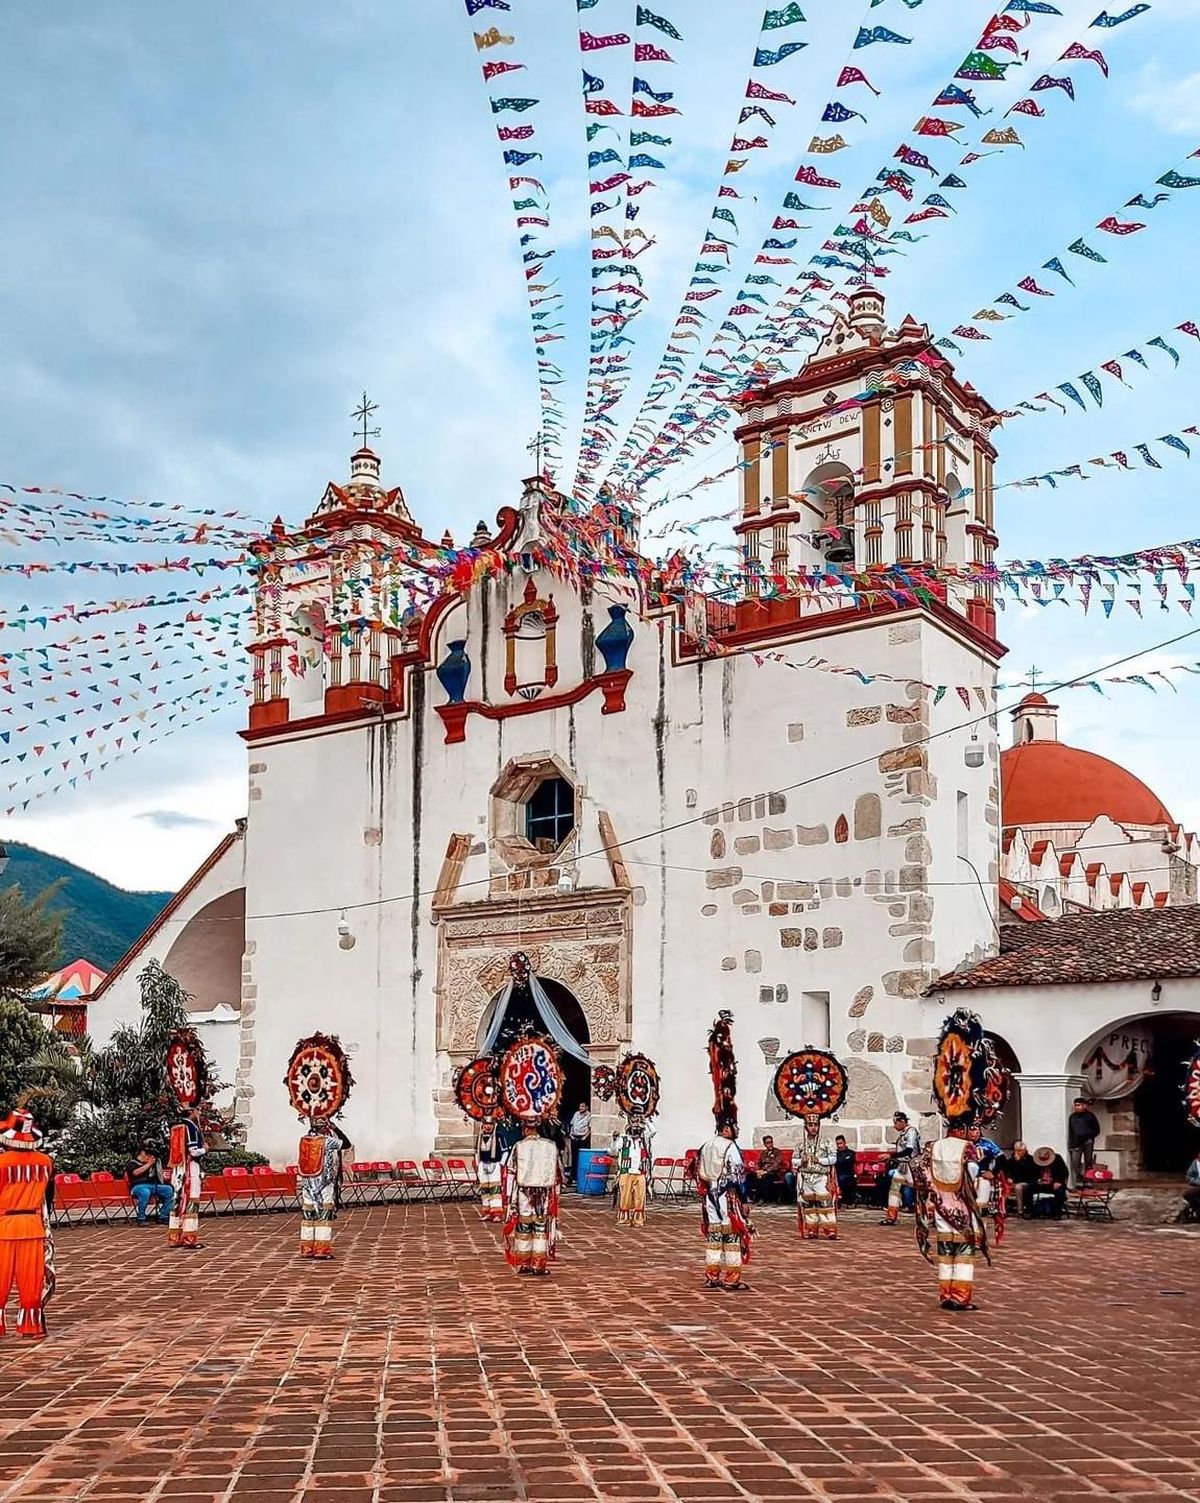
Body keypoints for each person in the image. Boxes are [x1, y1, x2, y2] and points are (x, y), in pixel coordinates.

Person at [914, 1126, 988, 1311]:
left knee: (945, 1252)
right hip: (962, 1205)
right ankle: (960, 1296)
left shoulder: (933, 1147)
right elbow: (971, 1171)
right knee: (964, 1252)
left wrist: (931, 1190)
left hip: (941, 1205)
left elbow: (916, 1167)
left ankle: (946, 1294)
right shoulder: (967, 1147)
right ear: (962, 1130)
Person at [0, 1111, 55, 1339]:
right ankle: (31, 1326)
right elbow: (48, 1197)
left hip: (4, 1225)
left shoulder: (2, 1163)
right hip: (33, 1225)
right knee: (32, 1278)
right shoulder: (45, 1162)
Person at [698, 1120, 754, 1291]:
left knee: (714, 1235)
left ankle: (712, 1276)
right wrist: (744, 1199)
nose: (738, 1129)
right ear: (726, 1128)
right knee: (732, 1236)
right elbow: (737, 1176)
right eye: (735, 1126)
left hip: (710, 1195)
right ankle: (732, 1277)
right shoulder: (731, 1147)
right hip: (727, 1196)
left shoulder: (706, 1146)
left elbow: (698, 1173)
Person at [503, 1117, 562, 1275]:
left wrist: (508, 1197)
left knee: (523, 1227)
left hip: (524, 1193)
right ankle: (538, 1264)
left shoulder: (519, 1146)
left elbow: (510, 1172)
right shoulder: (550, 1146)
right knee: (540, 1228)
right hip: (543, 1194)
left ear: (525, 1129)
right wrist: (556, 1194)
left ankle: (523, 1263)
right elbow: (557, 1173)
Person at [297, 1118, 344, 1260]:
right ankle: (322, 1250)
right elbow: (346, 1144)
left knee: (309, 1216)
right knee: (324, 1215)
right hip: (324, 1183)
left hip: (307, 1183)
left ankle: (307, 1248)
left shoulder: (304, 1140)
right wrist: (336, 1129)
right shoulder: (327, 1141)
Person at [166, 1108, 206, 1250]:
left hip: (178, 1168)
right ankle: (189, 1237)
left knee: (177, 1201)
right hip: (190, 1167)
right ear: (192, 1112)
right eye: (197, 1111)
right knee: (191, 1200)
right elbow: (193, 1150)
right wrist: (205, 1149)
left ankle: (174, 1236)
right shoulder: (190, 1127)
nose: (199, 1114)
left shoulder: (176, 1127)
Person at [795, 1117, 838, 1240]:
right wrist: (800, 1161)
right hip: (806, 1177)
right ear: (806, 1126)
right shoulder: (800, 1144)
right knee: (808, 1204)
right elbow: (793, 1161)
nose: (813, 1127)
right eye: (810, 1125)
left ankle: (830, 1229)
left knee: (825, 1203)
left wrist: (819, 1160)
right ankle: (811, 1229)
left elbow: (834, 1158)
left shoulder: (826, 1142)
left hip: (821, 1176)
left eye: (815, 1125)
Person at [613, 1111, 653, 1228]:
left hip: (640, 1172)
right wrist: (615, 1139)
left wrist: (646, 1120)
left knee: (640, 1197)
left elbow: (653, 1131)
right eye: (633, 1125)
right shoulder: (624, 1139)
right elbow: (614, 1151)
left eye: (638, 1127)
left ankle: (638, 1220)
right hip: (626, 1171)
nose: (636, 1129)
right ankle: (624, 1219)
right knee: (625, 1196)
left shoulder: (644, 1140)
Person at [881, 1112, 921, 1225]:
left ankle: (929, 1216)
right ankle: (891, 1216)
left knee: (922, 1191)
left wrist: (891, 1156)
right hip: (902, 1166)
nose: (895, 1125)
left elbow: (909, 1150)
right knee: (894, 1190)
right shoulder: (904, 1133)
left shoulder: (911, 1132)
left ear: (902, 1121)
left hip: (913, 1166)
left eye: (896, 1122)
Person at [124, 1144, 174, 1226]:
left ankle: (163, 1215)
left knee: (168, 1189)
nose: (149, 1156)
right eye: (147, 1155)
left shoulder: (151, 1164)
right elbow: (135, 1172)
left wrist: (155, 1165)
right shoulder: (132, 1163)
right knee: (145, 1192)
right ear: (142, 1153)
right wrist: (149, 1164)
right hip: (137, 1187)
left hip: (152, 1185)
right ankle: (141, 1218)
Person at [998, 1141, 1039, 1218]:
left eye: (1023, 1150)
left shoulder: (1030, 1159)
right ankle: (1003, 1210)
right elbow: (1006, 1170)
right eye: (1019, 1150)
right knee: (1003, 1187)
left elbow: (1031, 1172)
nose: (1022, 1152)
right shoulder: (1011, 1160)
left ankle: (1020, 1211)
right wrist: (1008, 1177)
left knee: (1018, 1187)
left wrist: (1020, 1162)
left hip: (1027, 1182)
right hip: (1014, 1181)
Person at [747, 1135, 792, 1203]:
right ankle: (750, 1197)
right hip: (762, 1172)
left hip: (773, 1173)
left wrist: (766, 1171)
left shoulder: (777, 1152)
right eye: (768, 1143)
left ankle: (761, 1198)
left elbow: (776, 1164)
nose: (770, 1144)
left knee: (766, 1177)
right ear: (764, 1144)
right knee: (750, 1176)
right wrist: (758, 1171)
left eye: (771, 1142)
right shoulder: (763, 1153)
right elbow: (758, 1163)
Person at [1067, 1098, 1101, 1187]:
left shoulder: (1090, 1116)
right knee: (1075, 1163)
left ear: (1084, 1106)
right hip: (1076, 1143)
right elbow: (1071, 1131)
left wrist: (1090, 1137)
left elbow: (1097, 1129)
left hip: (1087, 1142)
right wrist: (1071, 1144)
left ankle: (1088, 1180)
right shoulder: (1072, 1117)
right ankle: (1079, 1180)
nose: (1077, 1107)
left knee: (1088, 1162)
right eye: (1076, 1105)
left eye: (1079, 1105)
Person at [476, 1117, 504, 1223]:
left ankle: (496, 1213)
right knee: (485, 1189)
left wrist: (501, 1164)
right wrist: (478, 1164)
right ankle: (487, 1211)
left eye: (490, 1124)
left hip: (494, 1164)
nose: (488, 1126)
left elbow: (505, 1151)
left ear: (494, 1125)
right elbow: (477, 1151)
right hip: (483, 1164)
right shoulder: (480, 1136)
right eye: (486, 1124)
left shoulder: (499, 1136)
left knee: (495, 1189)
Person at [1029, 1146, 1070, 1218]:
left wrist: (1058, 1182)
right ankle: (1030, 1211)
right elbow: (1032, 1173)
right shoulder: (1035, 1161)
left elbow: (1064, 1172)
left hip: (1054, 1183)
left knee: (1059, 1191)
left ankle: (1057, 1213)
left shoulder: (1058, 1159)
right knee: (1028, 1189)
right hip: (1042, 1184)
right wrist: (1038, 1180)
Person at [567, 1102, 591, 1185]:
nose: (580, 1108)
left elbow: (590, 1128)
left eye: (582, 1106)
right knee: (573, 1157)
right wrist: (571, 1134)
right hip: (574, 1137)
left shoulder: (589, 1116)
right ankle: (572, 1176)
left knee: (581, 1158)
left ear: (586, 1107)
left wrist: (585, 1137)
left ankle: (580, 1177)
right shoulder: (576, 1114)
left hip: (582, 1138)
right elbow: (572, 1124)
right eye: (580, 1106)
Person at [834, 1135, 856, 1208]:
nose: (839, 1146)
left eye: (840, 1143)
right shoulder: (835, 1154)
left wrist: (841, 1161)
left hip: (848, 1174)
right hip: (837, 1174)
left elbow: (848, 1162)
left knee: (843, 1179)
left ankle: (846, 1200)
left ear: (844, 1143)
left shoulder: (851, 1153)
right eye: (837, 1144)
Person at [1182, 1149, 1200, 1221]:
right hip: (1198, 1186)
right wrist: (1197, 1182)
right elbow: (1188, 1177)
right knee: (1187, 1194)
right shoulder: (1195, 1164)